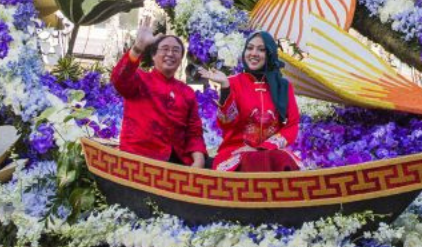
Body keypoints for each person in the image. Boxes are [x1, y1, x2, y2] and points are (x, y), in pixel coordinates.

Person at [197, 31, 302, 172]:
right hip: (237, 152)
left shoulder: (283, 86)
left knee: (280, 160)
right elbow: (226, 123)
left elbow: (292, 125)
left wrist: (264, 147)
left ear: (270, 54)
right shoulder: (232, 82)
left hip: (272, 151)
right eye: (250, 48)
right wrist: (225, 88)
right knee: (256, 161)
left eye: (261, 49)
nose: (253, 53)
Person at [112, 16, 209, 167]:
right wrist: (137, 48)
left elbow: (194, 132)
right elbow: (119, 79)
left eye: (176, 50)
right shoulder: (139, 79)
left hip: (176, 161)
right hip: (139, 158)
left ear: (181, 58)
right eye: (165, 49)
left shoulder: (187, 92)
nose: (170, 54)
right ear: (153, 56)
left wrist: (199, 160)